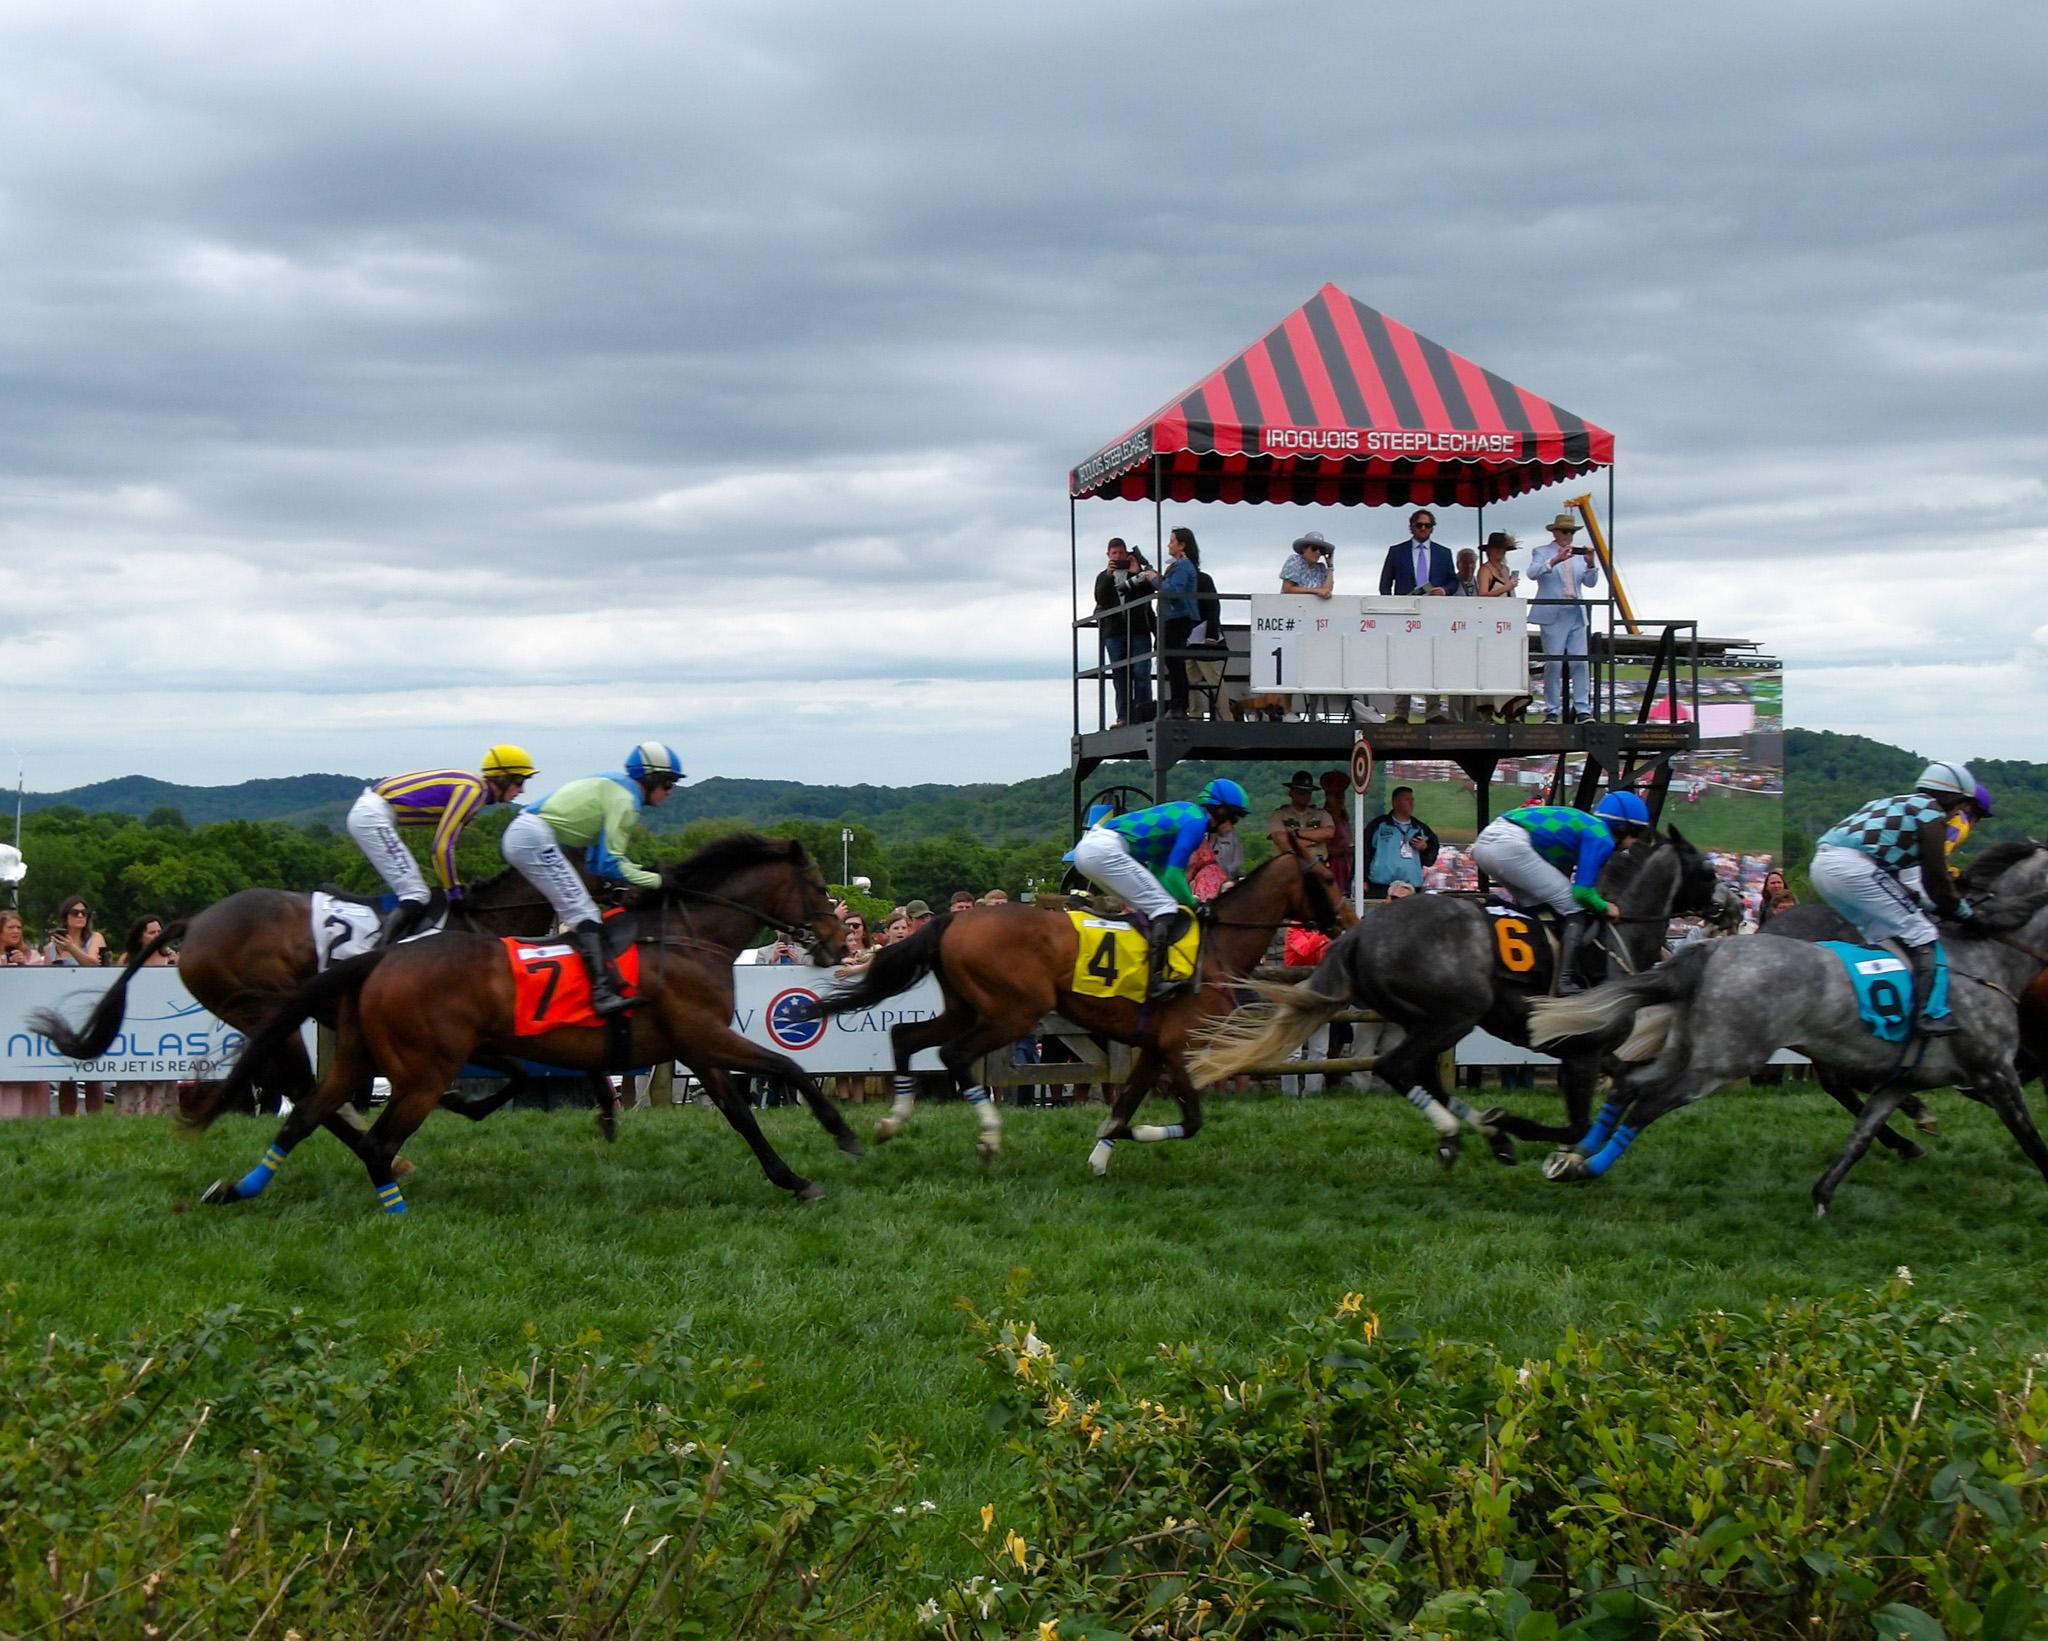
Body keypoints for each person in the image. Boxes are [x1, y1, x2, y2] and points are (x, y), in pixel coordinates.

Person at [501, 741, 681, 1016]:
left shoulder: (621, 788)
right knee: (584, 913)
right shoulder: (627, 801)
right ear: (651, 778)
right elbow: (610, 863)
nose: (669, 792)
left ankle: (589, 984)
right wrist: (657, 882)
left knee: (581, 913)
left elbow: (597, 864)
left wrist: (642, 875)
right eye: (667, 783)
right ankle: (600, 994)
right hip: (533, 837)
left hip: (527, 834)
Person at [1810, 761, 1979, 1037]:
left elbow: (1911, 887)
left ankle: (1881, 1005)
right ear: (1950, 796)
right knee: (1921, 932)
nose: (1960, 812)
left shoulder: (1898, 805)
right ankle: (1928, 1015)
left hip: (1824, 866)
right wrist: (1964, 913)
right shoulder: (1932, 813)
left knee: (1883, 935)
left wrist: (1932, 904)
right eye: (1961, 804)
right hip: (1852, 867)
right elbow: (1935, 880)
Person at [1069, 777, 1249, 999]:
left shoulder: (1185, 817)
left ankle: (1133, 967)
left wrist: (1187, 899)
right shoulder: (1196, 822)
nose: (1233, 826)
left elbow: (1160, 875)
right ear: (1221, 811)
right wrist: (1195, 904)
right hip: (1104, 850)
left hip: (1091, 850)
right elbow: (1174, 876)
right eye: (1234, 818)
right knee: (1164, 907)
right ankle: (1154, 982)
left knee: (1148, 909)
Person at [347, 746, 537, 945]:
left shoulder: (473, 789)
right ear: (502, 778)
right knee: (416, 893)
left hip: (373, 813)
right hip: (373, 816)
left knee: (417, 892)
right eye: (519, 781)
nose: (521, 790)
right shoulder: (474, 792)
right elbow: (441, 848)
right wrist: (455, 892)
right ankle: (379, 952)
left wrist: (454, 887)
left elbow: (443, 849)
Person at [1470, 791, 1652, 994]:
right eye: (1636, 833)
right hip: (1508, 845)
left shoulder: (1589, 825)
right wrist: (1605, 907)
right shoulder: (1602, 837)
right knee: (1574, 908)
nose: (1636, 842)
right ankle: (1564, 981)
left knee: (1536, 907)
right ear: (1622, 828)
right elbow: (1582, 892)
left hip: (1487, 843)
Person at [1378, 510, 1459, 720]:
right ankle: (1401, 713)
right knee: (1403, 661)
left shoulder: (1444, 552)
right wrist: (1392, 608)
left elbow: (1453, 581)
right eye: (1419, 525)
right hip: (1405, 615)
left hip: (1434, 614)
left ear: (1433, 527)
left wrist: (1444, 590)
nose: (1423, 529)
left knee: (1433, 659)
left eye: (1427, 525)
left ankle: (1433, 712)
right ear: (1411, 526)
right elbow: (1385, 584)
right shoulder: (1397, 551)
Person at [1529, 513, 1600, 723]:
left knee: (1581, 662)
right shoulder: (1542, 552)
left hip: (1575, 612)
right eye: (1565, 531)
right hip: (1554, 613)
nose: (1569, 536)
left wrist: (1590, 563)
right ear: (1555, 532)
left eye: (1572, 532)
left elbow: (1591, 582)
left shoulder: (1578, 556)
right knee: (1554, 663)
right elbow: (1532, 572)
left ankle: (1583, 709)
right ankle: (1552, 710)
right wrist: (1555, 560)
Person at [1092, 537, 1155, 725]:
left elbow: (1148, 596)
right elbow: (1101, 599)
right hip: (1114, 631)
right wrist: (1109, 576)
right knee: (1120, 676)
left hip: (1138, 629)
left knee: (1141, 672)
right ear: (1108, 555)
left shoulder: (1138, 574)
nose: (1118, 557)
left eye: (1121, 553)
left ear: (1127, 554)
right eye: (1114, 554)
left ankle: (1143, 714)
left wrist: (1136, 575)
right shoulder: (1103, 577)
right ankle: (1123, 716)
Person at [0, 910, 50, 1121]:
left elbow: (40, 985)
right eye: (11, 927)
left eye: (19, 928)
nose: (16, 932)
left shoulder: (31, 956)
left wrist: (23, 966)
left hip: (24, 1025)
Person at [1359, 785, 1441, 899]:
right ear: (1395, 802)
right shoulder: (1378, 825)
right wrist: (1362, 879)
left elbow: (1430, 859)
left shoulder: (1420, 828)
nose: (1411, 803)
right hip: (1380, 886)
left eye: (1412, 800)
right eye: (1407, 800)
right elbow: (1363, 852)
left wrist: (1425, 847)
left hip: (1411, 888)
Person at [1155, 526, 1201, 717]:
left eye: (1172, 541)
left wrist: (1154, 580)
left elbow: (1173, 591)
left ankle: (1178, 705)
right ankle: (1178, 705)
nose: (1168, 544)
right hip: (1176, 616)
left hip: (1178, 616)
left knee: (1175, 663)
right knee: (1174, 662)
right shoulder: (1182, 565)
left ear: (1182, 545)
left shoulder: (1182, 565)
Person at [1266, 770, 1335, 864]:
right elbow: (1281, 839)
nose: (1305, 795)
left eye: (1308, 792)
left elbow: (1328, 833)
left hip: (1318, 866)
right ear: (1291, 793)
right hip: (1289, 866)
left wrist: (1296, 834)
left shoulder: (1321, 814)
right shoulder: (1279, 815)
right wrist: (1313, 841)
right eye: (1301, 792)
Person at [45, 895, 106, 967]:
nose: (80, 915)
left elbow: (94, 965)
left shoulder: (95, 938)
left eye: (84, 912)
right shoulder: (51, 948)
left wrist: (71, 948)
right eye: (75, 913)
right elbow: (46, 974)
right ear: (65, 917)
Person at [1279, 531, 1335, 598]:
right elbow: (1288, 588)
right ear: (1304, 548)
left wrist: (1330, 567)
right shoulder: (1295, 560)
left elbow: (1327, 591)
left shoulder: (1321, 568)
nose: (1318, 552)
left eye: (1321, 550)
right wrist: (1316, 591)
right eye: (1314, 548)